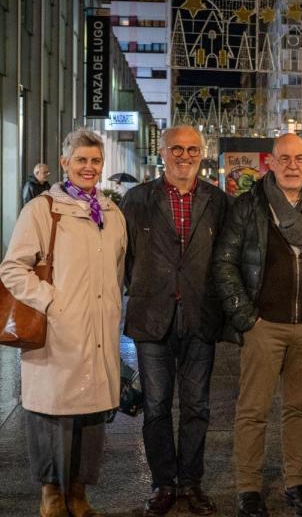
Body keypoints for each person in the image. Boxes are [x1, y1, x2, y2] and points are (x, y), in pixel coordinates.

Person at [214, 133, 302, 517]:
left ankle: (296, 485)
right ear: (270, 163)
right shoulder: (249, 206)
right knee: (252, 410)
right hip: (264, 326)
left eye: (299, 158)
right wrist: (246, 318)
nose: (292, 165)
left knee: (298, 409)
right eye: (284, 158)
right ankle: (249, 489)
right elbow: (224, 263)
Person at [0, 128, 127, 517]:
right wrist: (54, 302)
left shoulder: (111, 213)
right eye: (81, 160)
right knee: (52, 414)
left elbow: (117, 271)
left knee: (90, 417)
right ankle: (51, 492)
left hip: (99, 332)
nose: (88, 167)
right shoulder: (42, 210)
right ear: (64, 163)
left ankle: (78, 491)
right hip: (58, 332)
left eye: (95, 161)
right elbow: (13, 268)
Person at [120, 126, 229, 517]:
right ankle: (163, 483)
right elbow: (124, 258)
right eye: (176, 149)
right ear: (162, 152)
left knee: (198, 406)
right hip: (153, 318)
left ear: (203, 153)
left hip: (201, 316)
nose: (185, 156)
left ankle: (191, 482)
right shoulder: (137, 200)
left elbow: (226, 257)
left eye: (192, 149)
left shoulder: (217, 201)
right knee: (156, 405)